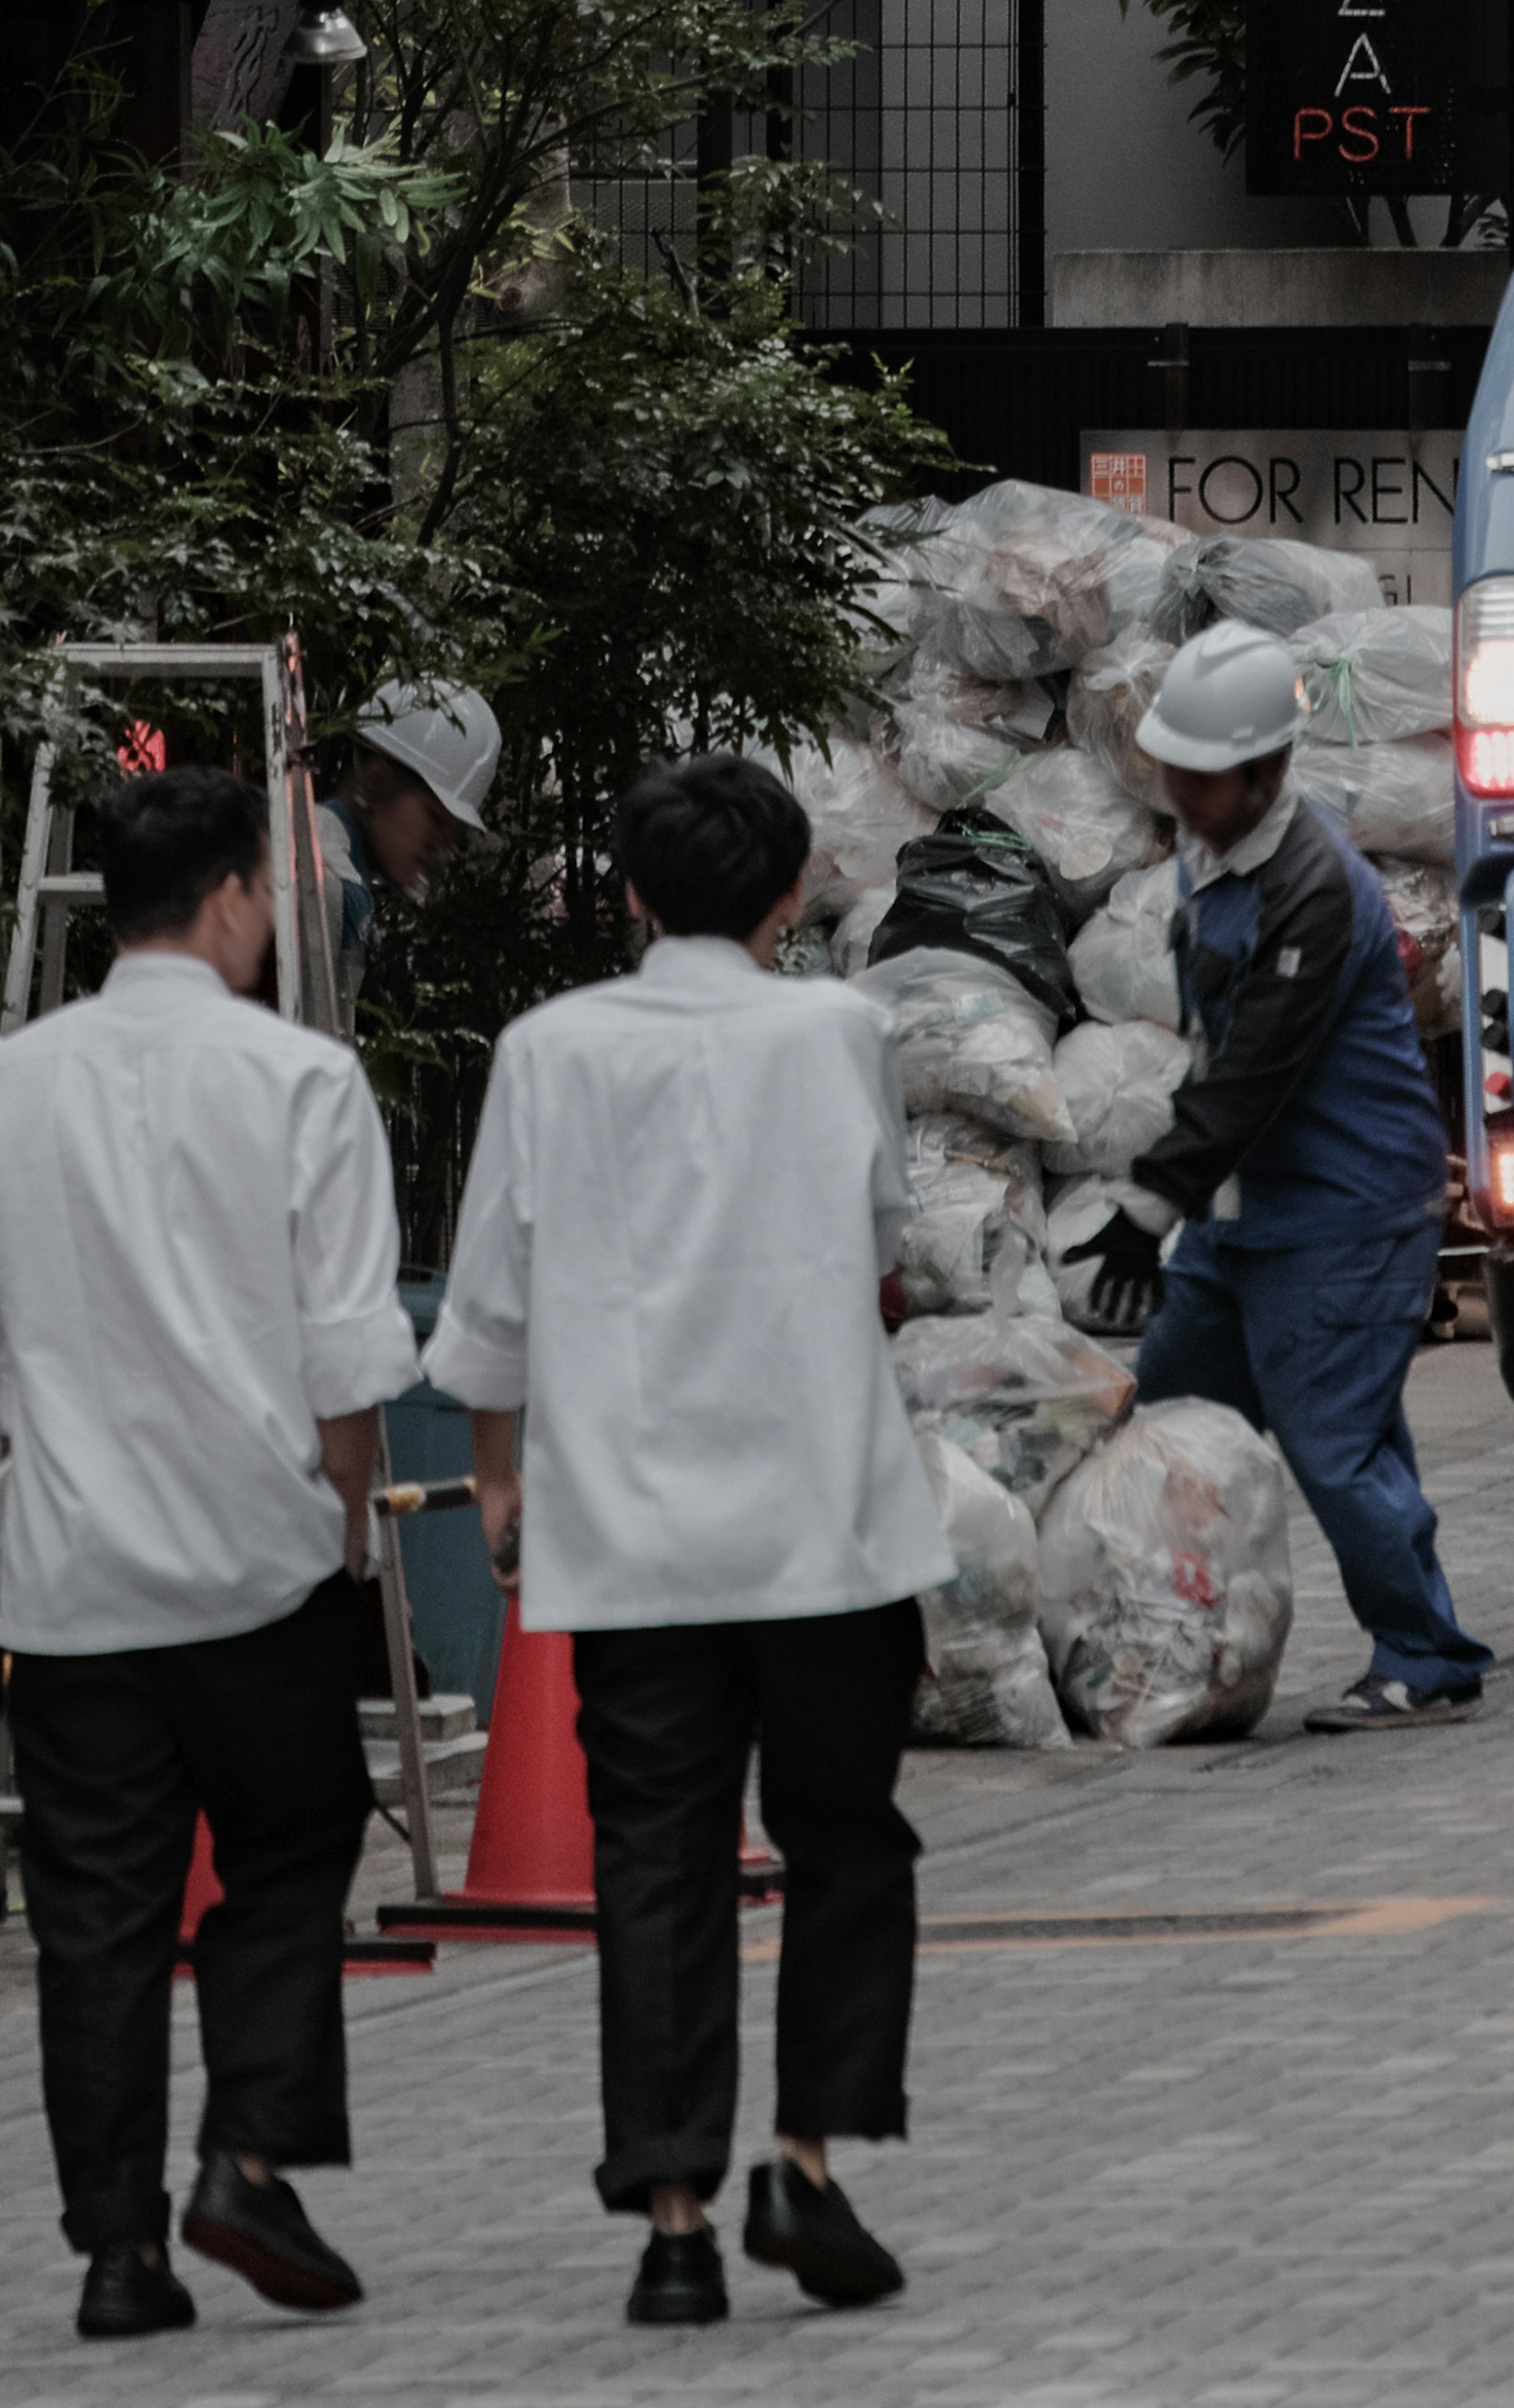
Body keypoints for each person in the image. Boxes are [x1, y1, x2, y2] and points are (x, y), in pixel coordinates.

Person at [0, 762, 419, 2344]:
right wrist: (349, 1523)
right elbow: (345, 1362)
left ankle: (118, 2250)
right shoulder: (304, 1084)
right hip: (259, 1562)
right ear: (241, 895)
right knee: (290, 1862)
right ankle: (247, 2151)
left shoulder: (1, 1082)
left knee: (98, 1920)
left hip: (72, 1585)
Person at [425, 753, 947, 2332]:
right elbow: (877, 1248)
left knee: (657, 1863)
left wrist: (500, 1480)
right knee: (846, 1839)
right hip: (828, 1530)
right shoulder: (841, 1032)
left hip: (635, 1542)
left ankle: (670, 2221)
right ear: (791, 893)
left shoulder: (549, 1047)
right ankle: (805, 2156)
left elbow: (492, 1300)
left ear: (636, 894)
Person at [1076, 622, 1493, 1736]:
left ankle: (1426, 1654)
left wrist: (1147, 1202)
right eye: (1171, 770)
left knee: (1335, 1447)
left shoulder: (1314, 886)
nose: (1178, 793)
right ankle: (1155, 1637)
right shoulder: (1208, 850)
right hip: (1247, 1207)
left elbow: (1257, 1066)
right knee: (1164, 1413)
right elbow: (1218, 1056)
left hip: (1345, 1210)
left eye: (1202, 779)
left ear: (1268, 773)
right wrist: (1177, 1202)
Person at [312, 679, 501, 990]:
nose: (439, 845)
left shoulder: (315, 837)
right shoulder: (340, 889)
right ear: (378, 783)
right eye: (436, 819)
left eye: (453, 834)